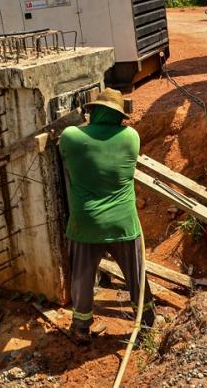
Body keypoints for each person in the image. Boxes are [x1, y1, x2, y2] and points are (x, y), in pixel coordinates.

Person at [58, 88, 155, 344]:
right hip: (124, 222)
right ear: (119, 116)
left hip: (86, 223)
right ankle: (147, 324)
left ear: (94, 111)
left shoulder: (71, 137)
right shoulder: (131, 137)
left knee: (82, 277)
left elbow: (66, 149)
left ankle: (80, 327)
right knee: (136, 276)